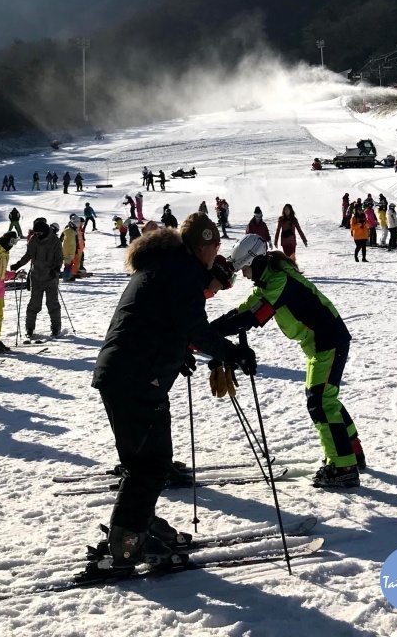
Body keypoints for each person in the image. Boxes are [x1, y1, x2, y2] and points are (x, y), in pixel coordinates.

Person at [89, 213, 252, 575]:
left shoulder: (166, 266)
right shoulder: (181, 272)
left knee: (145, 462)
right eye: (214, 245)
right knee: (150, 464)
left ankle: (138, 523)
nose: (217, 251)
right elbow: (195, 327)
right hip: (136, 378)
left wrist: (178, 354)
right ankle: (127, 542)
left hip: (126, 374)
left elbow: (160, 320)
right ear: (200, 245)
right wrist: (232, 353)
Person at [212, 234, 363, 489]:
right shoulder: (271, 278)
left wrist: (208, 334)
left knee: (321, 401)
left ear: (256, 261)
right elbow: (241, 312)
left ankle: (344, 466)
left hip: (328, 342)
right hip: (323, 343)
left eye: (245, 269)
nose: (245, 275)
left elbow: (252, 316)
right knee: (325, 398)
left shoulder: (279, 281)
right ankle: (352, 451)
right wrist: (209, 331)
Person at [12, 217, 63, 337]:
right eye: (36, 233)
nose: (37, 235)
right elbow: (28, 254)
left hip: (50, 278)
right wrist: (18, 264)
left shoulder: (55, 241)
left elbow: (59, 258)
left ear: (44, 231)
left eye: (39, 233)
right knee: (34, 305)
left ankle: (56, 328)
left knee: (52, 304)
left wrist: (56, 270)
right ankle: (29, 329)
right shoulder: (34, 240)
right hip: (36, 277)